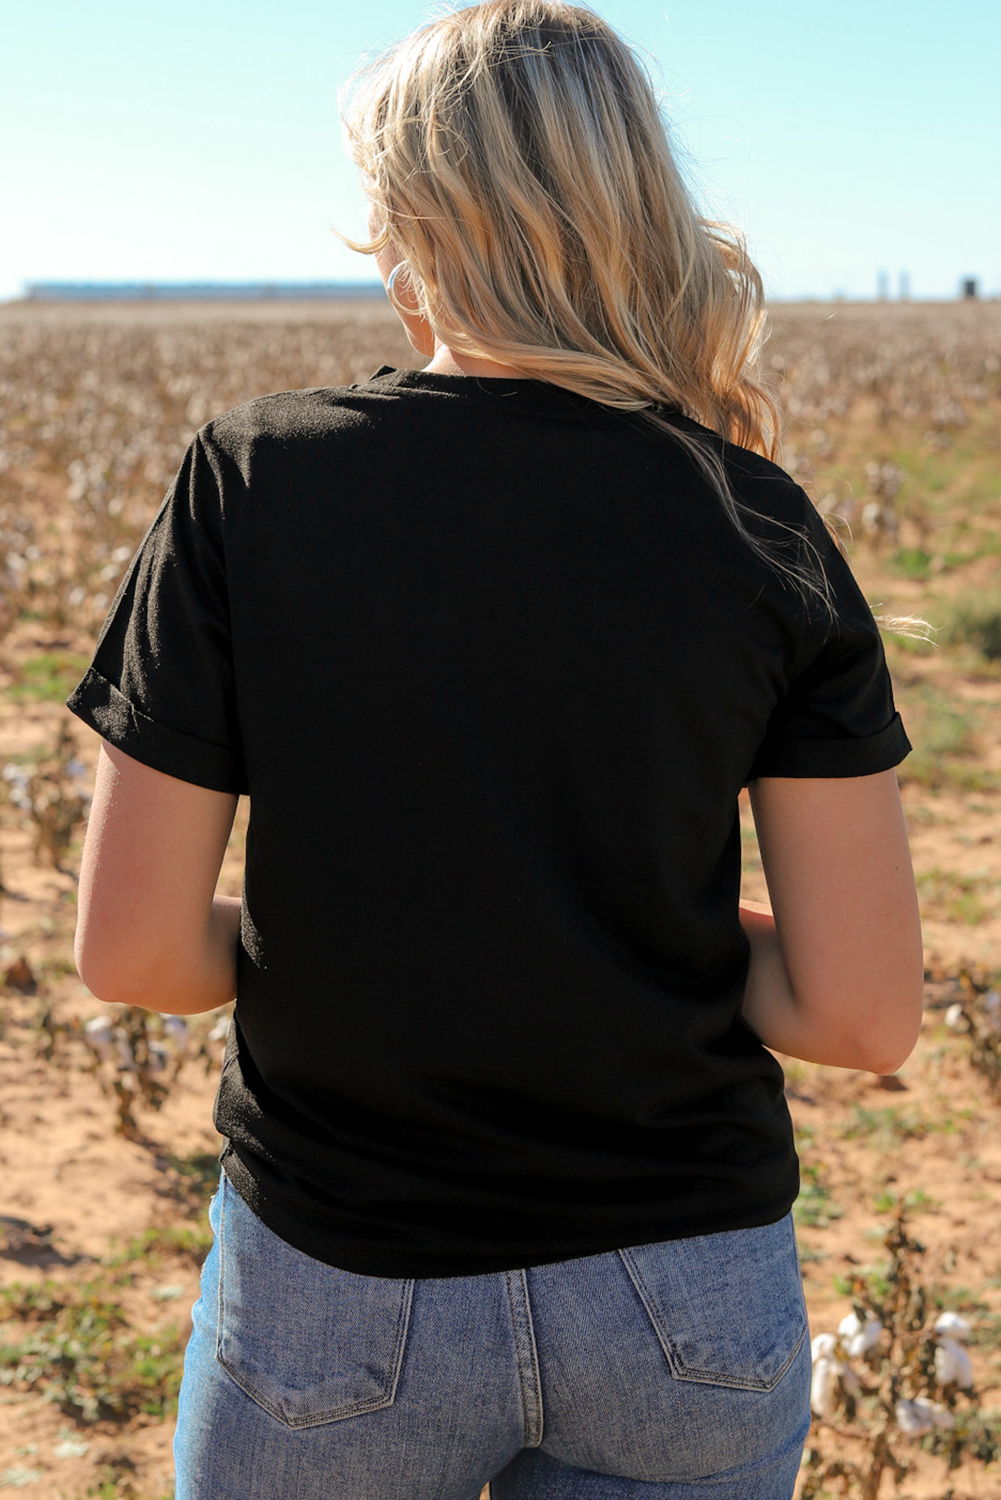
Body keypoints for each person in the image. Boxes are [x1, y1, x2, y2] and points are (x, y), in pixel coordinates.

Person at [66, 3, 924, 1496]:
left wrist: (371, 934)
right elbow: (860, 1017)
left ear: (407, 219)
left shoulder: (255, 480)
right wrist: (612, 934)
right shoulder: (755, 518)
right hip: (686, 1306)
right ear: (630, 207)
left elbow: (134, 955)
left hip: (341, 1279)